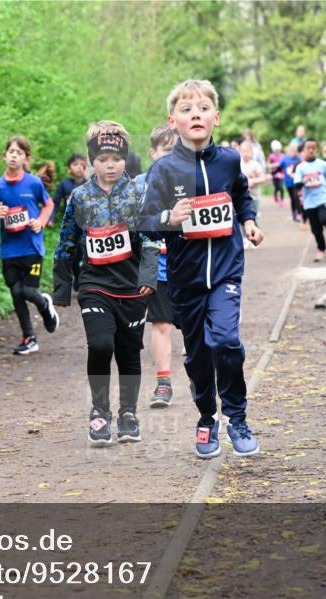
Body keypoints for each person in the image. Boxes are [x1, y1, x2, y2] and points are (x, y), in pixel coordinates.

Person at [140, 79, 264, 459]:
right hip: (185, 278)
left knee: (225, 341)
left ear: (216, 117)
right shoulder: (163, 170)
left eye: (203, 108)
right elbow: (142, 220)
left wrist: (248, 222)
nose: (195, 114)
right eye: (186, 109)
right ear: (173, 120)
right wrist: (169, 217)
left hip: (226, 270)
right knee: (197, 354)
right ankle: (207, 418)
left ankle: (237, 418)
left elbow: (241, 194)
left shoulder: (228, 160)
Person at [52, 121, 159, 445]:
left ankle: (128, 412)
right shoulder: (80, 198)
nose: (109, 164)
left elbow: (152, 239)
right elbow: (67, 241)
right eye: (102, 159)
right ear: (91, 161)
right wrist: (61, 285)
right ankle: (99, 412)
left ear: (125, 158)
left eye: (116, 158)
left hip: (132, 286)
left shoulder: (139, 194)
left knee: (128, 353)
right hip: (94, 283)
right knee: (100, 344)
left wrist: (148, 276)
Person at [0, 135, 60, 354]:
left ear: (25, 159)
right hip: (9, 250)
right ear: (4, 156)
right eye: (11, 152)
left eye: (19, 153)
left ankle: (45, 304)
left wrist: (40, 221)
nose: (14, 156)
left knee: (28, 290)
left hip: (31, 247)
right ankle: (29, 337)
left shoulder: (33, 183)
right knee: (16, 292)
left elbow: (48, 205)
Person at [136, 125, 179, 408]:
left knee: (197, 326)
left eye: (176, 151)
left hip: (191, 264)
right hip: (158, 264)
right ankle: (163, 384)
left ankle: (207, 378)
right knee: (161, 323)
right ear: (153, 153)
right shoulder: (139, 185)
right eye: (165, 151)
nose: (170, 157)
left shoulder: (194, 179)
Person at [293, 139, 326, 261]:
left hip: (323, 198)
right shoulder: (300, 167)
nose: (310, 150)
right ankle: (322, 249)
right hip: (309, 202)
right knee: (316, 229)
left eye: (313, 148)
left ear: (316, 150)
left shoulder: (322, 164)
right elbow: (296, 186)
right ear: (304, 151)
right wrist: (303, 181)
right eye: (308, 148)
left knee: (325, 218)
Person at [239, 141, 269, 232]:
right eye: (243, 151)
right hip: (241, 197)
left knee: (253, 218)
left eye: (247, 151)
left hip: (254, 196)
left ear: (251, 152)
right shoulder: (238, 164)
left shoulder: (255, 164)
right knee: (242, 218)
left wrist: (253, 181)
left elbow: (263, 178)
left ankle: (255, 235)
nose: (245, 154)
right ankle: (244, 238)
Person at [280, 142, 303, 223]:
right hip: (288, 182)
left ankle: (298, 214)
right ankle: (294, 214)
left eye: (294, 151)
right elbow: (280, 167)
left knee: (296, 198)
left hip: (296, 183)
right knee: (292, 199)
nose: (293, 152)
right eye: (291, 151)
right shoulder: (285, 159)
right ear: (288, 150)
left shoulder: (298, 159)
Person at [268, 140, 285, 206]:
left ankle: (282, 200)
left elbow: (284, 165)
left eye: (278, 150)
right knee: (277, 187)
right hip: (274, 174)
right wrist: (275, 165)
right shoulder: (271, 156)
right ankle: (275, 195)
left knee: (281, 187)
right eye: (276, 150)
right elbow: (269, 165)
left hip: (281, 174)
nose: (277, 151)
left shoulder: (283, 156)